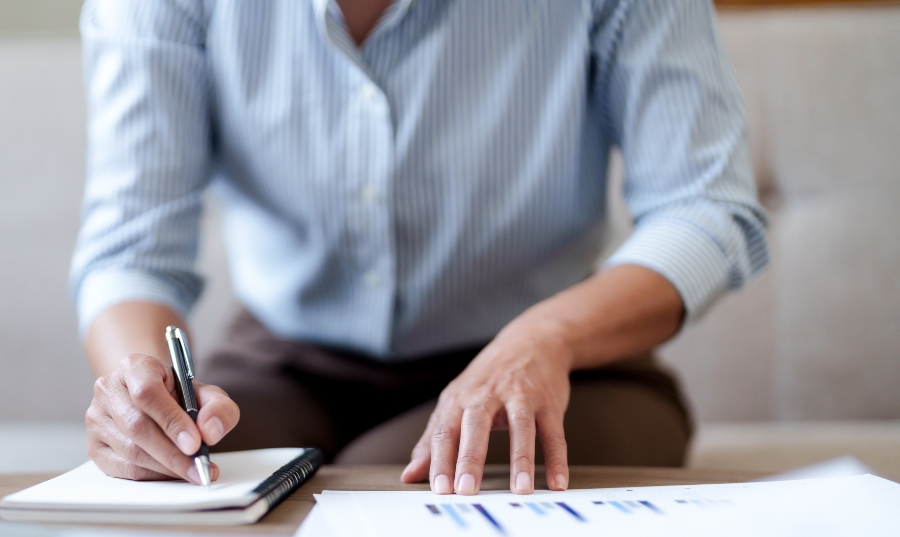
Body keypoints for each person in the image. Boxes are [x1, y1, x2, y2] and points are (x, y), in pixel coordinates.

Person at [72, 0, 768, 496]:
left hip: (561, 360)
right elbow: (133, 245)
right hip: (284, 361)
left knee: (403, 487)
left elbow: (703, 206)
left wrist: (547, 338)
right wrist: (142, 393)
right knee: (178, 488)